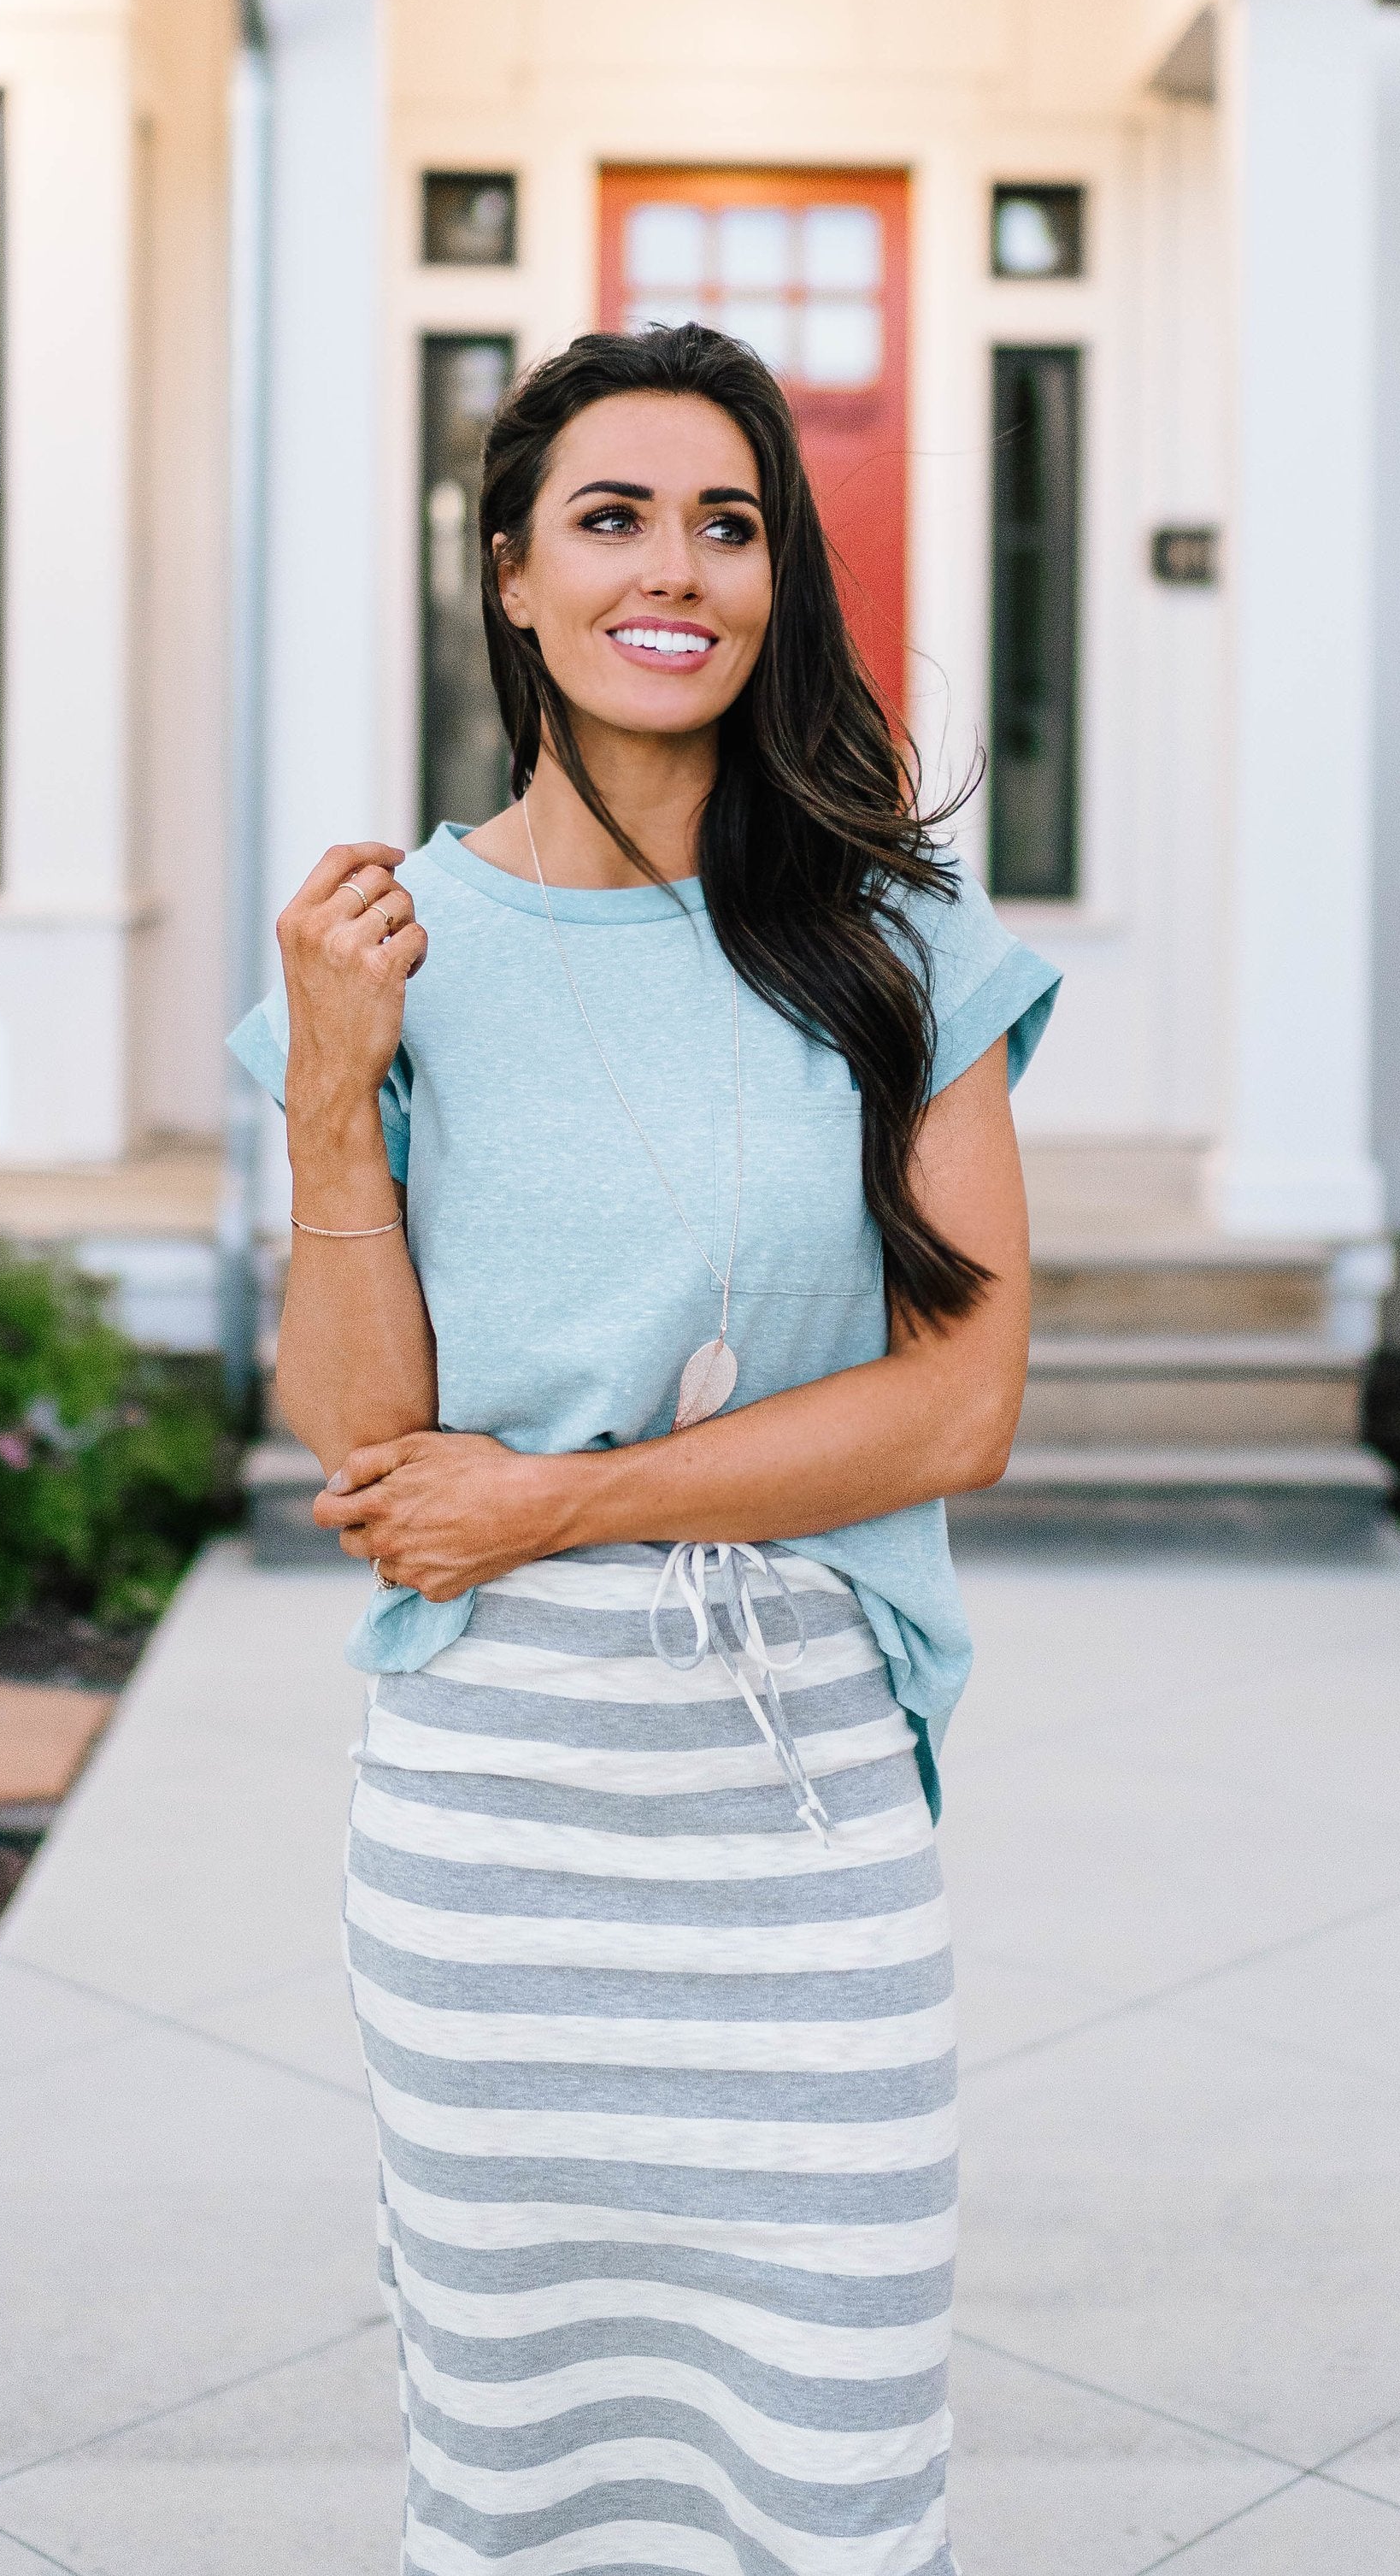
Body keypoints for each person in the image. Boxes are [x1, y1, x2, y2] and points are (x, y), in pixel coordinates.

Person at [230, 321, 1057, 2576]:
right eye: (611, 519)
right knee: (517, 2470)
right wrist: (334, 1089)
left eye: (728, 522)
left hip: (801, 1815)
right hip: (495, 1827)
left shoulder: (897, 941)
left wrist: (555, 1497)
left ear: (780, 578)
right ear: (510, 573)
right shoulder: (385, 950)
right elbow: (365, 1441)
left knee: (833, 2446)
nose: (672, 569)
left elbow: (960, 1402)